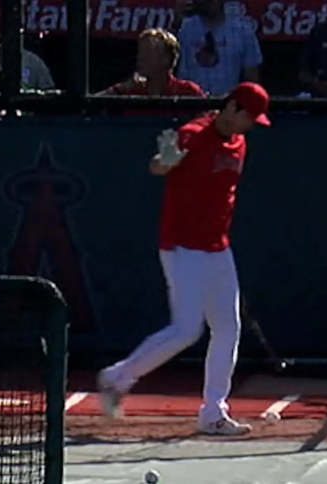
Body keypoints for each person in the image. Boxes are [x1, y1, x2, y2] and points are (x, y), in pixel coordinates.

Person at [97, 82, 271, 436]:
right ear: (232, 108)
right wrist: (165, 161)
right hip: (182, 247)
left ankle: (213, 412)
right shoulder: (192, 134)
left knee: (228, 328)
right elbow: (157, 166)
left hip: (218, 248)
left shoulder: (239, 142)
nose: (250, 125)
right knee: (187, 329)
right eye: (249, 117)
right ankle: (117, 377)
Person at [174, 0, 262, 95]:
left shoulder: (242, 31)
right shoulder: (184, 28)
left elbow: (251, 78)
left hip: (228, 100)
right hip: (190, 100)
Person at [97, 28, 204, 98]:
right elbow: (92, 104)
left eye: (148, 52)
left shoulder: (187, 91)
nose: (141, 58)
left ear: (166, 58)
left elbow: (207, 118)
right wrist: (119, 90)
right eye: (140, 52)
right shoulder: (130, 91)